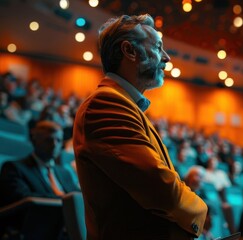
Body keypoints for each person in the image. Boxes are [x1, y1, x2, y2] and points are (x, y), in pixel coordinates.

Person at [73, 14, 207, 239]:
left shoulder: (126, 106)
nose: (166, 58)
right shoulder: (105, 105)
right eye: (157, 47)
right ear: (130, 51)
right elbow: (164, 192)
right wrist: (202, 210)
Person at [0, 120, 80, 239]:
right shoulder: (14, 168)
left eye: (58, 140)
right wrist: (65, 199)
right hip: (37, 230)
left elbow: (77, 197)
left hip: (69, 228)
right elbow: (24, 199)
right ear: (34, 141)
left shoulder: (64, 173)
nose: (54, 145)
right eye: (48, 140)